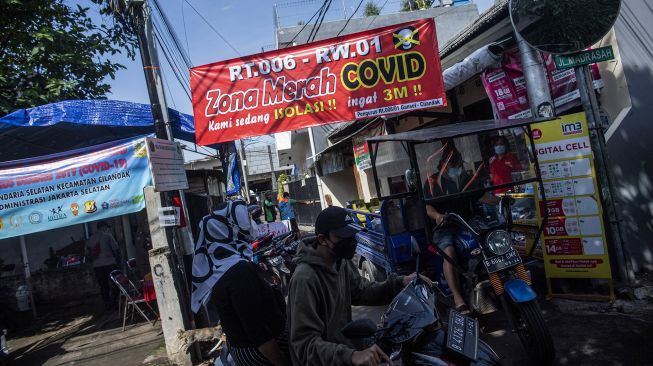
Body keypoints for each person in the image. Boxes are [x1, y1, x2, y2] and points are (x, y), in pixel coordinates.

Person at [287, 206, 429, 366]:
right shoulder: (305, 278)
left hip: (343, 349)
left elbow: (362, 291)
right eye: (343, 237)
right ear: (322, 239)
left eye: (352, 235)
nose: (351, 242)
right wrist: (351, 356)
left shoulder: (340, 261)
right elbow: (305, 345)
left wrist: (400, 282)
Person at [191, 200, 289, 366]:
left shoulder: (220, 267)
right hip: (261, 357)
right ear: (233, 226)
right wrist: (282, 362)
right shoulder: (239, 272)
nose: (252, 222)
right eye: (247, 217)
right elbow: (257, 331)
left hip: (245, 352)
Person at [424, 149, 499, 314]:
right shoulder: (432, 181)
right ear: (443, 165)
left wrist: (502, 199)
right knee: (449, 252)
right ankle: (458, 298)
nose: (456, 168)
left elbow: (482, 197)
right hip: (445, 226)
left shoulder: (466, 178)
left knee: (492, 239)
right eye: (453, 164)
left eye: (458, 164)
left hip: (468, 221)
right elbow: (428, 207)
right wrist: (438, 216)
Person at [86, 220, 120, 310]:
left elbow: (87, 253)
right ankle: (115, 301)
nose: (108, 229)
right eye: (107, 227)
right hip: (110, 263)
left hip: (97, 266)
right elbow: (116, 248)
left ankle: (107, 304)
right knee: (116, 283)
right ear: (103, 227)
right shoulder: (108, 236)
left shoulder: (91, 238)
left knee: (103, 286)